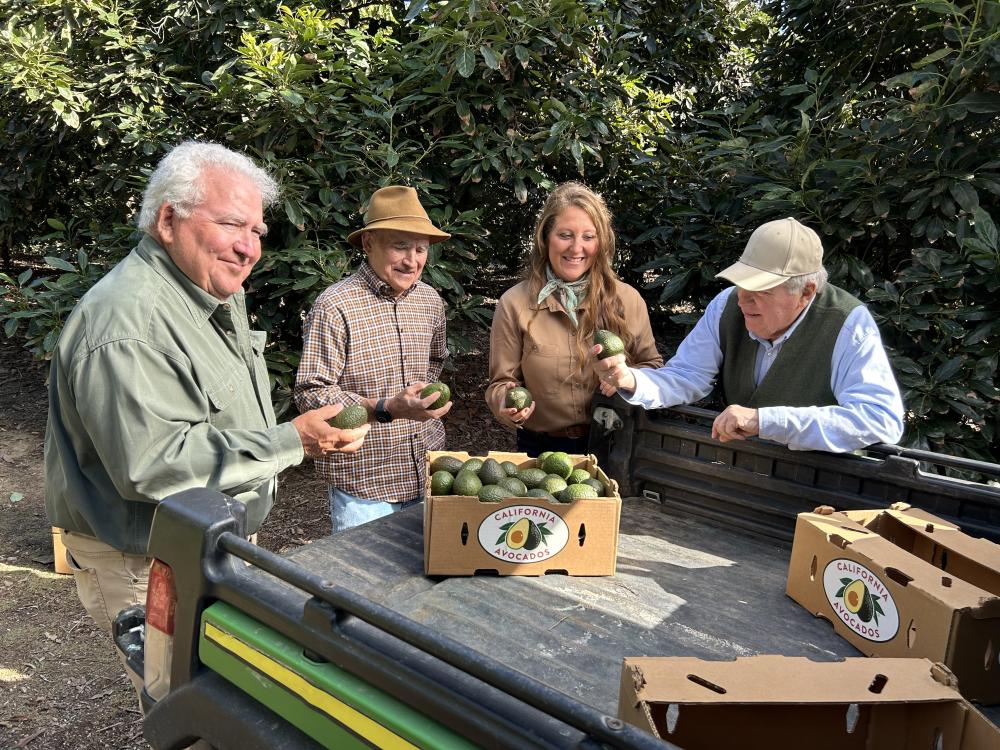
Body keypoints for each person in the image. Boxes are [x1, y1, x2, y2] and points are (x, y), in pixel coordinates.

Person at [44, 141, 370, 694]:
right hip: (148, 560)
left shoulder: (206, 290)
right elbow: (156, 464)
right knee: (189, 704)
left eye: (257, 231)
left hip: (204, 541)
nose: (249, 248)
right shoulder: (131, 323)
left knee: (221, 693)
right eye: (231, 224)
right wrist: (295, 440)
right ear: (168, 220)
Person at [594, 216, 905, 452]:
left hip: (824, 488)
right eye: (742, 284)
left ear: (806, 292)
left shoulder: (847, 325)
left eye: (762, 290)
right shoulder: (726, 306)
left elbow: (880, 420)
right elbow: (687, 375)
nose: (743, 300)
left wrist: (766, 421)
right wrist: (630, 379)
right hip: (746, 472)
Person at [294, 186, 453, 532]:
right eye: (400, 246)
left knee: (429, 564)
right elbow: (311, 393)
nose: (412, 260)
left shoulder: (430, 301)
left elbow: (434, 361)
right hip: (364, 484)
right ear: (368, 243)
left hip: (428, 468)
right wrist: (385, 407)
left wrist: (423, 400)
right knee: (365, 569)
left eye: (421, 249)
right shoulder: (335, 305)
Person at [486, 182, 663, 456]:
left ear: (601, 242)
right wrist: (507, 404)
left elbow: (653, 367)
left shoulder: (627, 300)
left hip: (616, 442)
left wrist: (627, 377)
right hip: (543, 450)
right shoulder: (515, 303)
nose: (576, 247)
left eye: (588, 237)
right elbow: (501, 383)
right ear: (546, 237)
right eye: (565, 235)